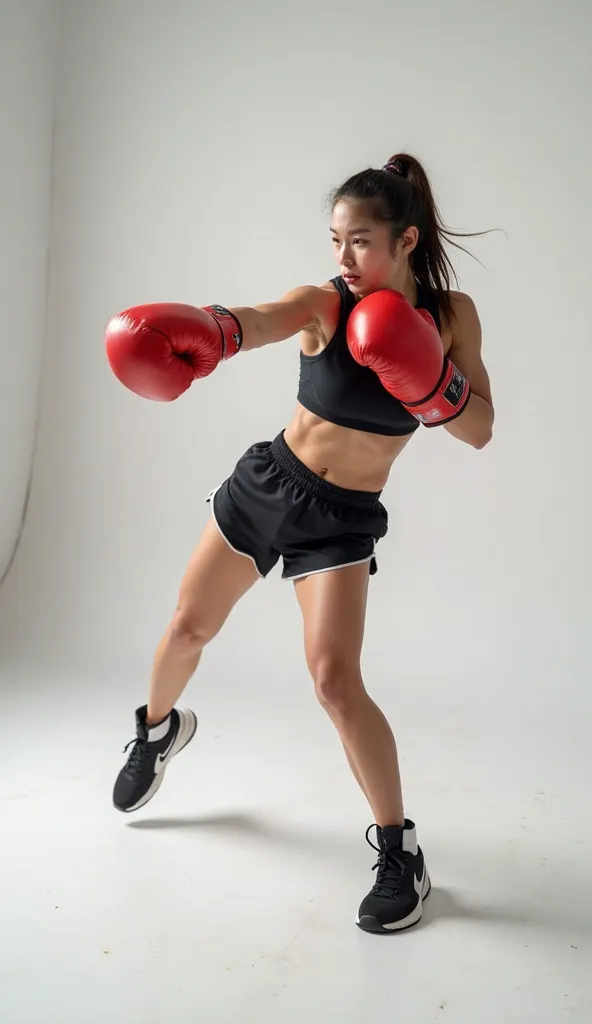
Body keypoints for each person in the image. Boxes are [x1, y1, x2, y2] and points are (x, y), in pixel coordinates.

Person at [105, 152, 494, 934]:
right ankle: (156, 730)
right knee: (188, 627)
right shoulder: (324, 303)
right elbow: (260, 319)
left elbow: (480, 428)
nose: (342, 259)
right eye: (335, 240)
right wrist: (212, 332)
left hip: (344, 517)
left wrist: (434, 385)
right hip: (268, 485)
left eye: (359, 242)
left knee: (334, 682)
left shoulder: (451, 319)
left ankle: (400, 854)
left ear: (406, 239)